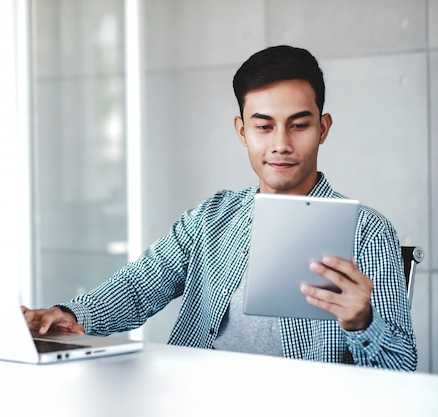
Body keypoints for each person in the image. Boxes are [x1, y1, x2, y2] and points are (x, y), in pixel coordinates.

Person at [23, 45, 417, 371]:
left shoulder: (365, 232)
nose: (281, 143)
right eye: (264, 126)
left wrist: (362, 323)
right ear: (242, 131)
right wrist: (71, 315)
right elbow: (139, 286)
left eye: (299, 125)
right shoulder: (212, 216)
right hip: (193, 397)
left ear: (323, 128)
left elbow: (401, 369)